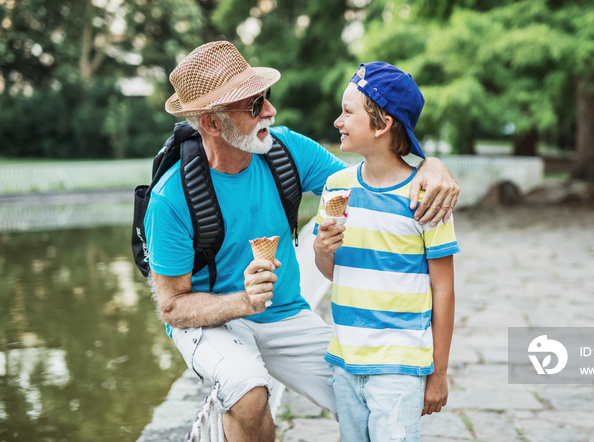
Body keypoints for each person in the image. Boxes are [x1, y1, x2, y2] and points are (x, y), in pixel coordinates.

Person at [145, 41, 460, 442]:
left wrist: (430, 165)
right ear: (211, 123)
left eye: (267, 98)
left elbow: (373, 173)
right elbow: (173, 307)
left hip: (285, 314)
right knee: (247, 392)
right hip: (212, 322)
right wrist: (242, 302)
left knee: (370, 387)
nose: (271, 111)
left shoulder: (285, 151)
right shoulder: (170, 199)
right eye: (254, 105)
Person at [313, 62, 459, 441]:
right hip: (345, 358)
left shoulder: (427, 199)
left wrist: (438, 372)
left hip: (400, 365)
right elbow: (331, 271)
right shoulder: (336, 186)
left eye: (348, 112)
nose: (337, 121)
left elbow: (443, 289)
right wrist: (322, 248)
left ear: (382, 125)